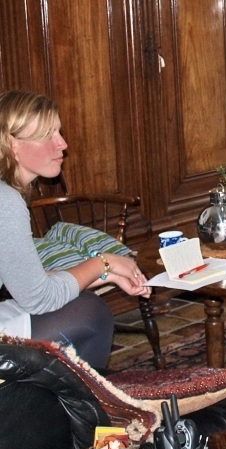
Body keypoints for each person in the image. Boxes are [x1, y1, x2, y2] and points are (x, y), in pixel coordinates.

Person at [0, 90, 151, 369]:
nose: (63, 144)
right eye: (48, 135)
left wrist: (108, 274)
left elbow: (27, 282)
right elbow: (39, 298)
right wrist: (104, 262)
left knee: (82, 303)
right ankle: (79, 409)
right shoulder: (5, 201)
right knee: (90, 314)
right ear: (12, 143)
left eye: (59, 132)